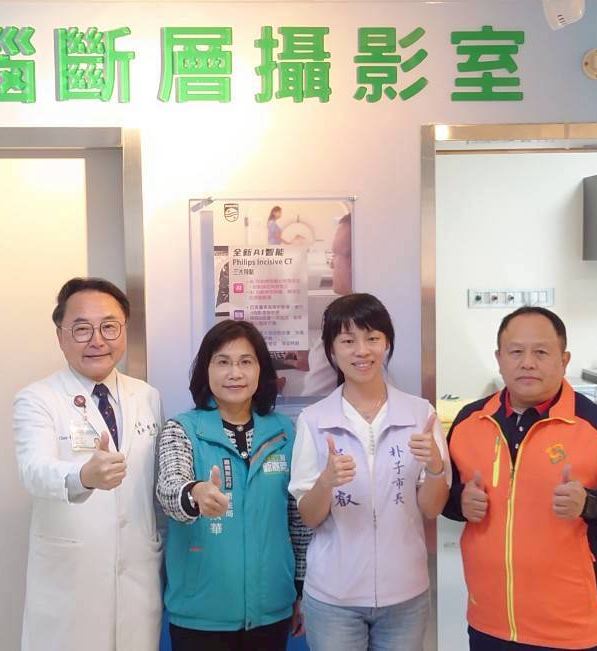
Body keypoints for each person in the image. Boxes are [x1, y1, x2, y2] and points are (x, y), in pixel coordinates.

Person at [443, 306, 597, 651]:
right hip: (489, 623)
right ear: (499, 358)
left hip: (573, 629)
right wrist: (459, 502)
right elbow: (445, 496)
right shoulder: (470, 421)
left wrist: (590, 504)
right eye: (516, 352)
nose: (527, 363)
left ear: (564, 360)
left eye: (541, 352)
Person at [289, 293, 450, 651]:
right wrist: (326, 482)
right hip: (333, 598)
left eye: (372, 338)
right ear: (332, 351)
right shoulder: (314, 420)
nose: (362, 351)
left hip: (405, 595)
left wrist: (436, 468)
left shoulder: (420, 415)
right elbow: (309, 517)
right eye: (348, 341)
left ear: (386, 342)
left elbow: (432, 508)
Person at [13, 277, 163, 651]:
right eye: (82, 329)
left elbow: (153, 489)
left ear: (124, 330)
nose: (97, 340)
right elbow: (34, 470)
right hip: (71, 583)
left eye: (109, 327)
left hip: (138, 579)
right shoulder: (38, 398)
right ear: (61, 336)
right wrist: (83, 476)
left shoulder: (147, 396)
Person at [157, 319, 310, 650]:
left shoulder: (285, 431)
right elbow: (170, 490)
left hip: (272, 607)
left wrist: (300, 587)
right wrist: (195, 493)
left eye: (245, 361)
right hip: (200, 613)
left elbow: (297, 520)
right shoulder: (182, 429)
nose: (235, 373)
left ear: (260, 370)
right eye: (223, 362)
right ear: (206, 370)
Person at [299, 213, 353, 396]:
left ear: (356, 259)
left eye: (336, 254)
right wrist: (313, 360)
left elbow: (312, 402)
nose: (331, 265)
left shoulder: (343, 328)